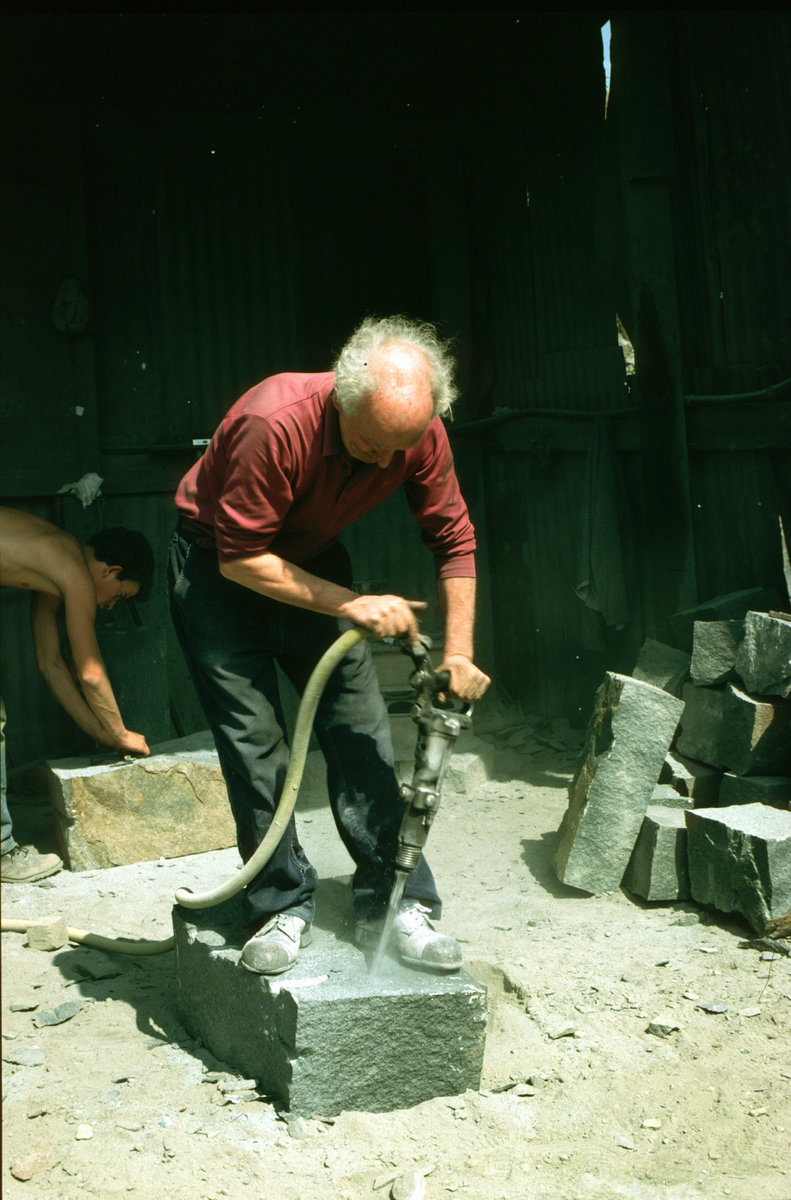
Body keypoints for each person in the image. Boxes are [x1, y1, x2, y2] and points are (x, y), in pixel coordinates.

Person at [168, 315, 490, 976]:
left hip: (311, 561)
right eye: (371, 444)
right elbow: (240, 559)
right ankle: (280, 904)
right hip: (220, 573)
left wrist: (459, 652)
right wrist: (351, 604)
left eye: (398, 448)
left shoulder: (413, 431)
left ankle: (397, 897)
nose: (384, 461)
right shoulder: (274, 423)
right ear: (343, 402)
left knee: (359, 728)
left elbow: (454, 541)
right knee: (255, 744)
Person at [0, 508, 155, 883]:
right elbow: (90, 670)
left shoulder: (56, 566)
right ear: (111, 571)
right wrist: (120, 733)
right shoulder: (75, 574)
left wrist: (102, 734)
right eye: (119, 595)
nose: (110, 606)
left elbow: (50, 664)